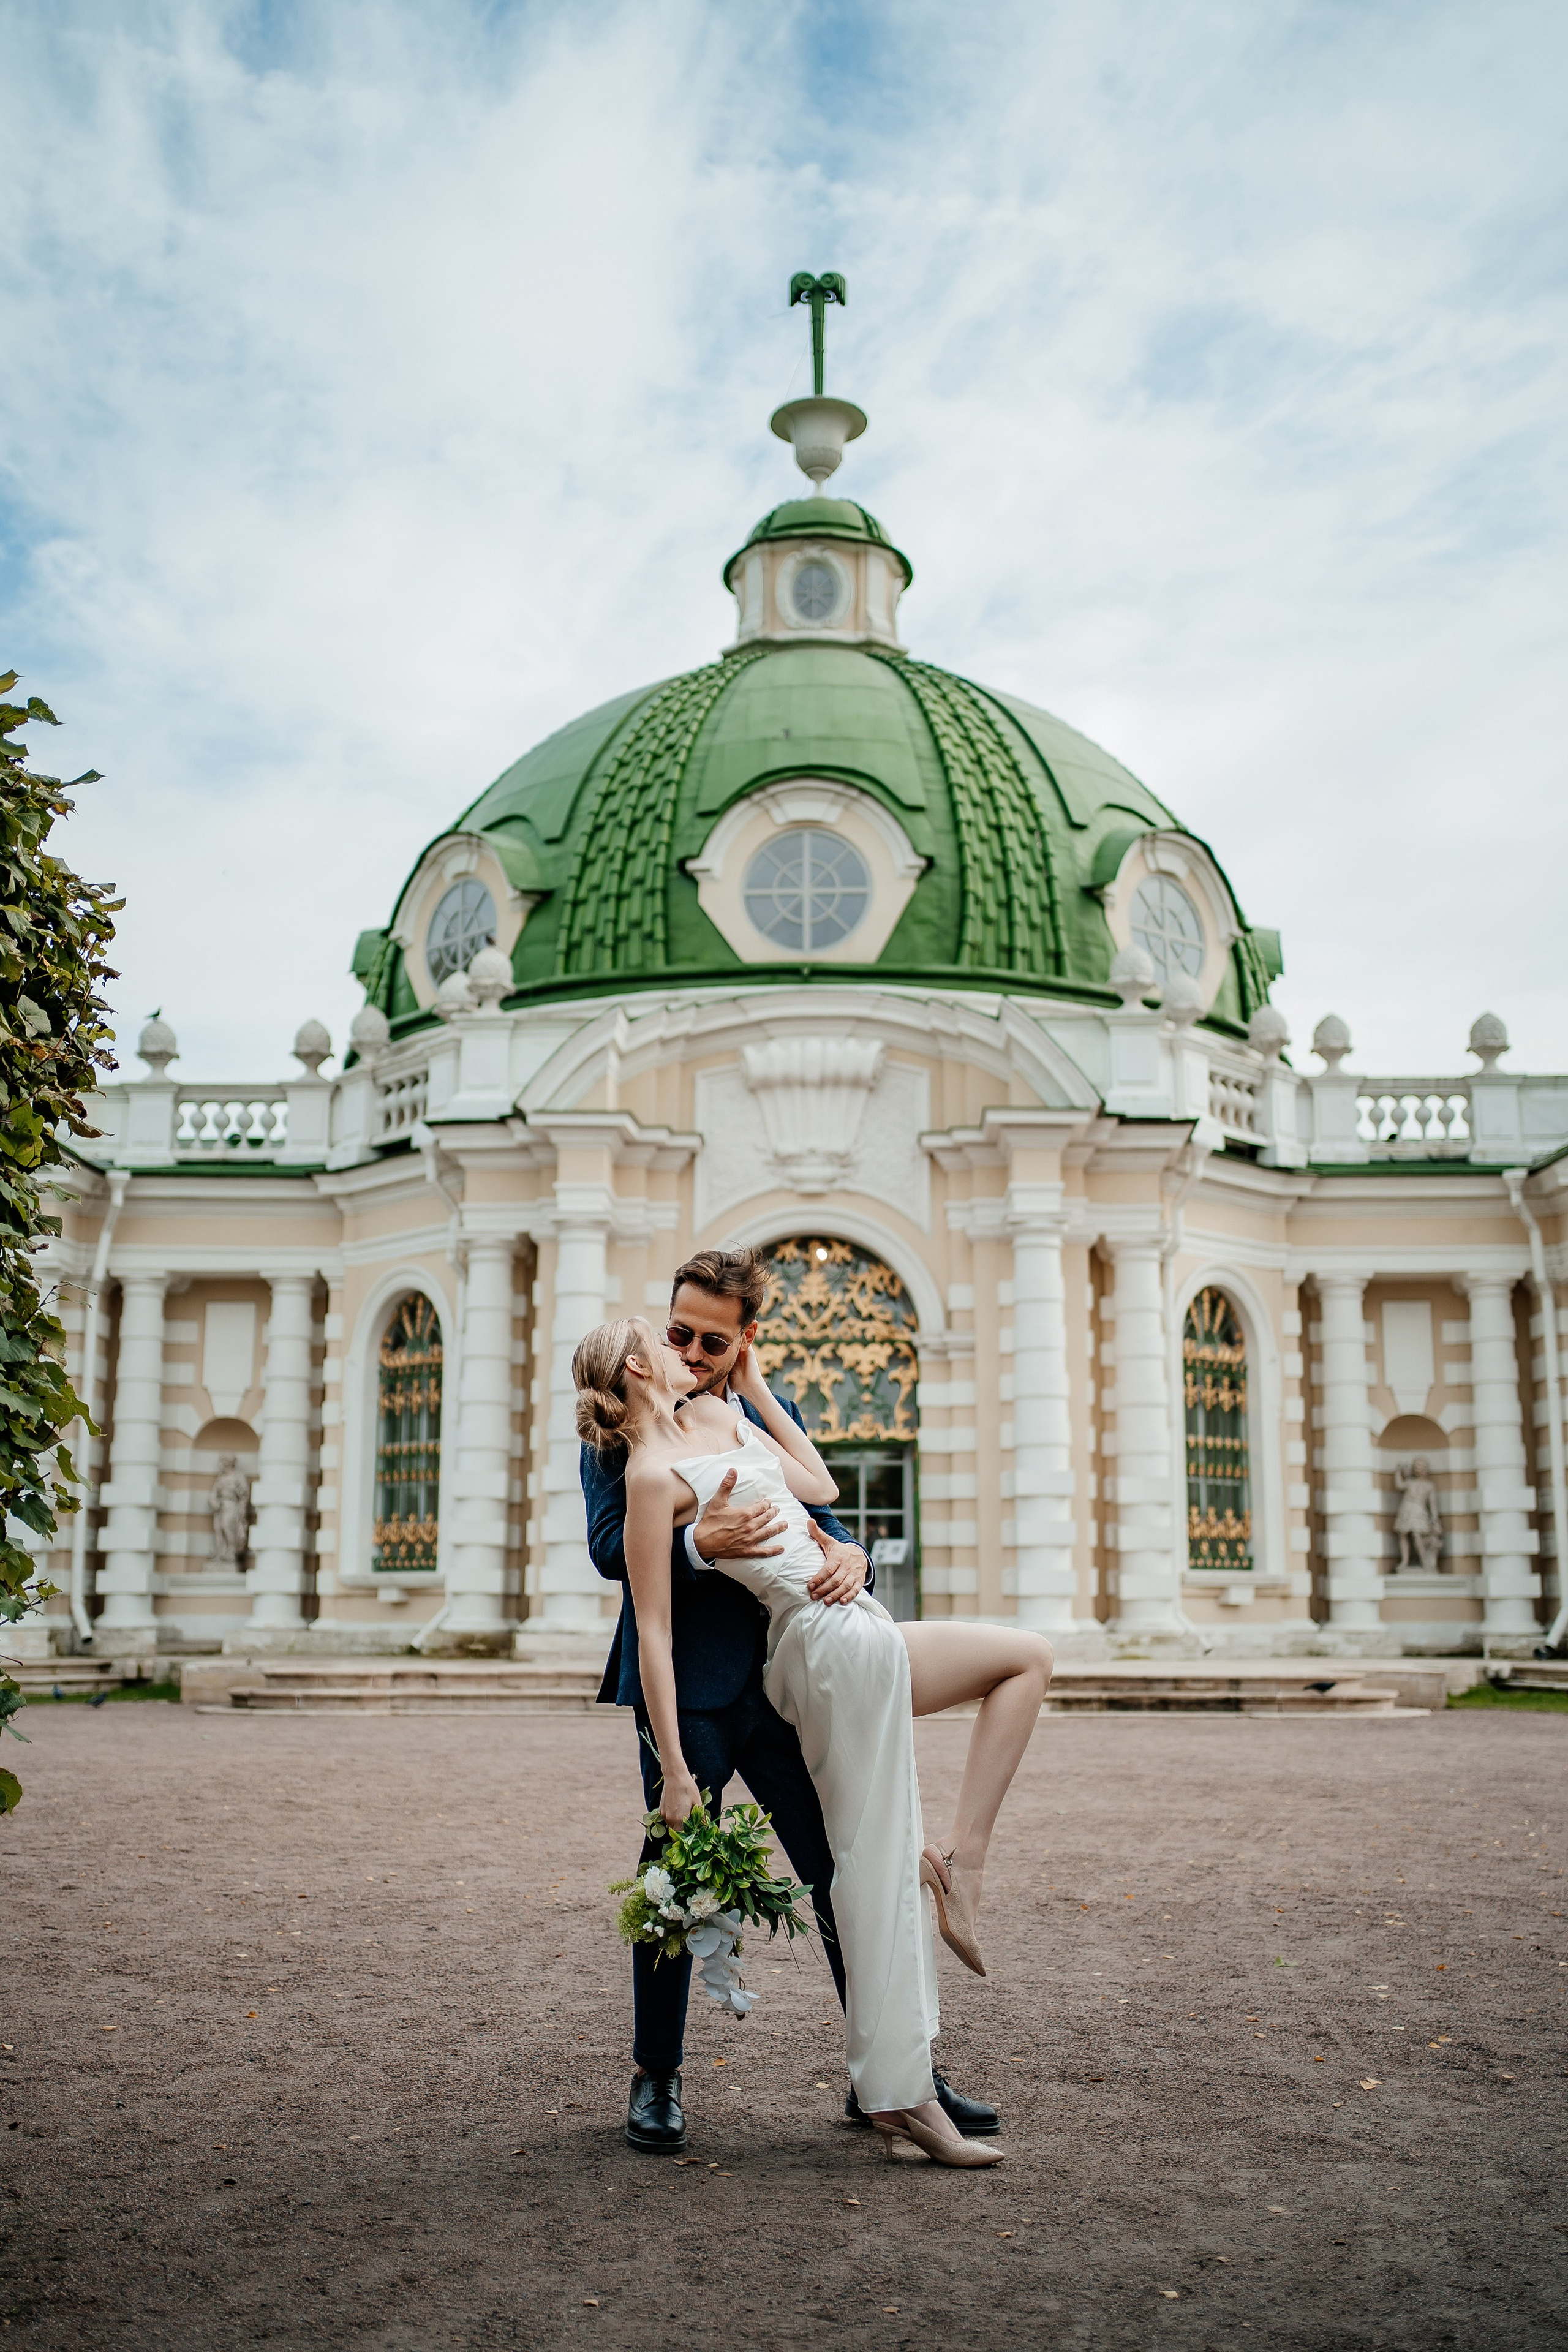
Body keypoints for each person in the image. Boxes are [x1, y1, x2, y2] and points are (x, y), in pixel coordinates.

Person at [577, 1289, 1055, 2168]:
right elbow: (614, 1548)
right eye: (676, 1331)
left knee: (841, 1872)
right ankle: (657, 2074)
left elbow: (821, 1512)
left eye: (709, 1338)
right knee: (672, 1874)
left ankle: (890, 2072)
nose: (692, 1345)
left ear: (741, 1339)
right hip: (696, 1684)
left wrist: (851, 1551)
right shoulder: (623, 1444)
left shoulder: (745, 1410)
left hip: (795, 1670)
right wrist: (698, 1543)